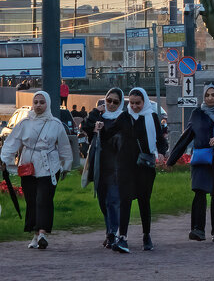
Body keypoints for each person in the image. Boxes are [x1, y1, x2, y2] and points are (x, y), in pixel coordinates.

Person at [167, 82, 214, 242]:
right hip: (201, 159)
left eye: (213, 95)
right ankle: (198, 229)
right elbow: (186, 137)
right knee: (199, 193)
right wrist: (171, 160)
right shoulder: (197, 113)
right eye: (207, 95)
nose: (210, 98)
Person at [0, 91, 73, 249]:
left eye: (42, 102)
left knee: (43, 199)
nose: (38, 105)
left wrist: (66, 165)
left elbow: (64, 146)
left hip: (49, 167)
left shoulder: (56, 124)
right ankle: (35, 234)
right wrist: (4, 159)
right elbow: (12, 142)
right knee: (32, 200)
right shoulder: (24, 123)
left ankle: (42, 233)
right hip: (29, 166)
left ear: (48, 104)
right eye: (36, 102)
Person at [113, 87, 168, 253]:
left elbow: (160, 139)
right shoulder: (123, 117)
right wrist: (97, 119)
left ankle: (146, 235)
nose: (135, 106)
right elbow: (109, 134)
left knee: (144, 200)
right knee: (125, 201)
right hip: (125, 165)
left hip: (145, 166)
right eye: (132, 103)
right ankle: (122, 237)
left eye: (138, 103)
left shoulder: (151, 116)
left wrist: (161, 152)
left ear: (144, 102)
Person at [83, 88, 125, 248]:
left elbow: (122, 139)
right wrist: (95, 111)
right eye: (109, 101)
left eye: (115, 102)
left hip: (115, 166)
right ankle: (109, 231)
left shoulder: (122, 119)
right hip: (99, 165)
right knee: (102, 201)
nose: (112, 104)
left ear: (120, 103)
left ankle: (113, 233)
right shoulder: (100, 118)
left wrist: (104, 131)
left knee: (113, 201)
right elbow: (85, 127)